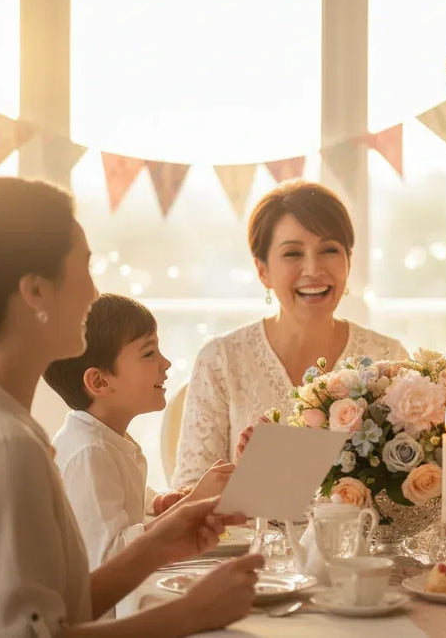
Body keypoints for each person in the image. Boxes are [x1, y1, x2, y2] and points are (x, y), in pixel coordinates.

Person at [0, 176, 261, 636]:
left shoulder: (17, 428)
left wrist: (157, 543)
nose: (95, 293)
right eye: (85, 265)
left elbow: (61, 608)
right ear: (36, 291)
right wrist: (190, 614)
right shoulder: (10, 446)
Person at [172, 181, 407, 488]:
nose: (313, 269)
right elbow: (188, 490)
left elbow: (404, 487)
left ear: (349, 261)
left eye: (329, 250)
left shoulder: (387, 358)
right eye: (293, 253)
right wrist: (245, 479)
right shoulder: (221, 360)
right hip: (247, 536)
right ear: (262, 270)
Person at [45, 293, 234, 573]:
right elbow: (111, 559)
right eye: (149, 353)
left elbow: (119, 500)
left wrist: (157, 503)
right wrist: (192, 503)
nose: (165, 363)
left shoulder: (107, 439)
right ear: (99, 381)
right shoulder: (90, 454)